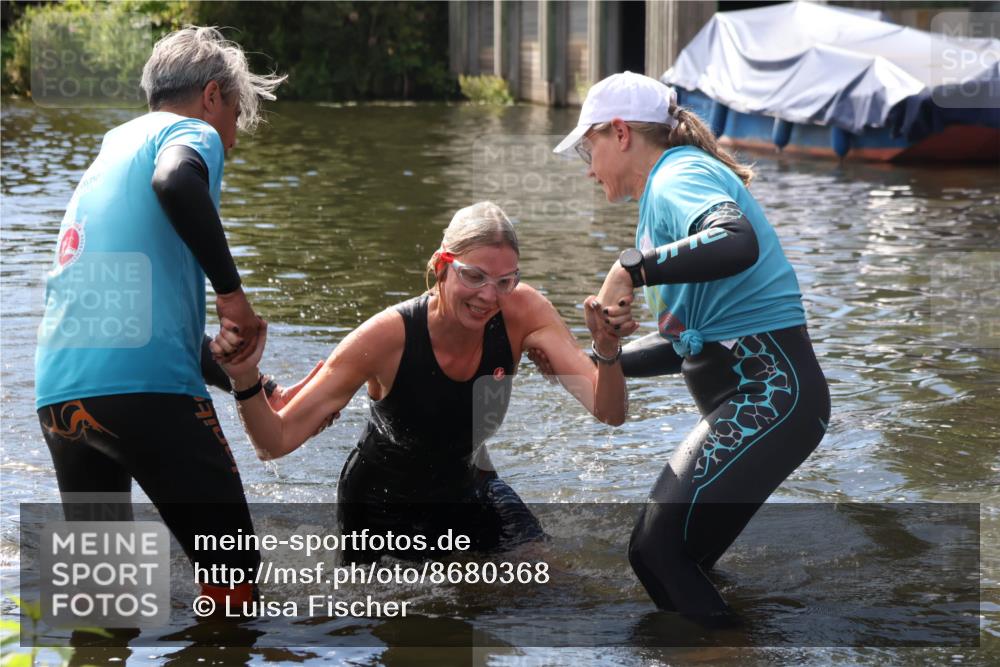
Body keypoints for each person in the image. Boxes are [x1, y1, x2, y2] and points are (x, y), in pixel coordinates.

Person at [549, 71, 831, 622]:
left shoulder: (677, 175)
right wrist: (593, 356)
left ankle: (723, 654)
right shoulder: (664, 196)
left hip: (770, 396)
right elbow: (688, 345)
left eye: (588, 147)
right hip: (775, 401)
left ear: (620, 133)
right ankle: (739, 644)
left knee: (655, 553)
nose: (587, 168)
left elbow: (736, 239)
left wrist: (632, 269)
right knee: (683, 561)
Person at [212, 202, 627, 562]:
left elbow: (607, 410)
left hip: (469, 487)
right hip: (381, 509)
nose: (489, 296)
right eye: (474, 276)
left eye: (505, 281)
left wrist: (606, 349)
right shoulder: (385, 338)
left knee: (546, 577)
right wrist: (245, 377)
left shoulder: (523, 311)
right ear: (441, 266)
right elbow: (275, 441)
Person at [34, 26, 286, 609]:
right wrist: (231, 293)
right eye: (235, 115)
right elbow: (175, 180)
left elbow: (136, 330)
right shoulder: (190, 132)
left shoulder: (112, 150)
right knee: (234, 573)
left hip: (62, 397)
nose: (231, 139)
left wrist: (259, 386)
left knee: (102, 599)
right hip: (145, 392)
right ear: (212, 95)